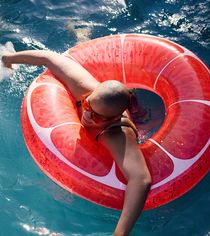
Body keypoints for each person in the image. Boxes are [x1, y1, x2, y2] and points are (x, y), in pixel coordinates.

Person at [2, 49, 151, 236]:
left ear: (112, 119)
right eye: (87, 104)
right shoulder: (85, 87)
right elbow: (48, 58)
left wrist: (119, 234)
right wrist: (8, 59)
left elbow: (141, 180)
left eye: (96, 117)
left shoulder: (116, 134)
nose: (87, 114)